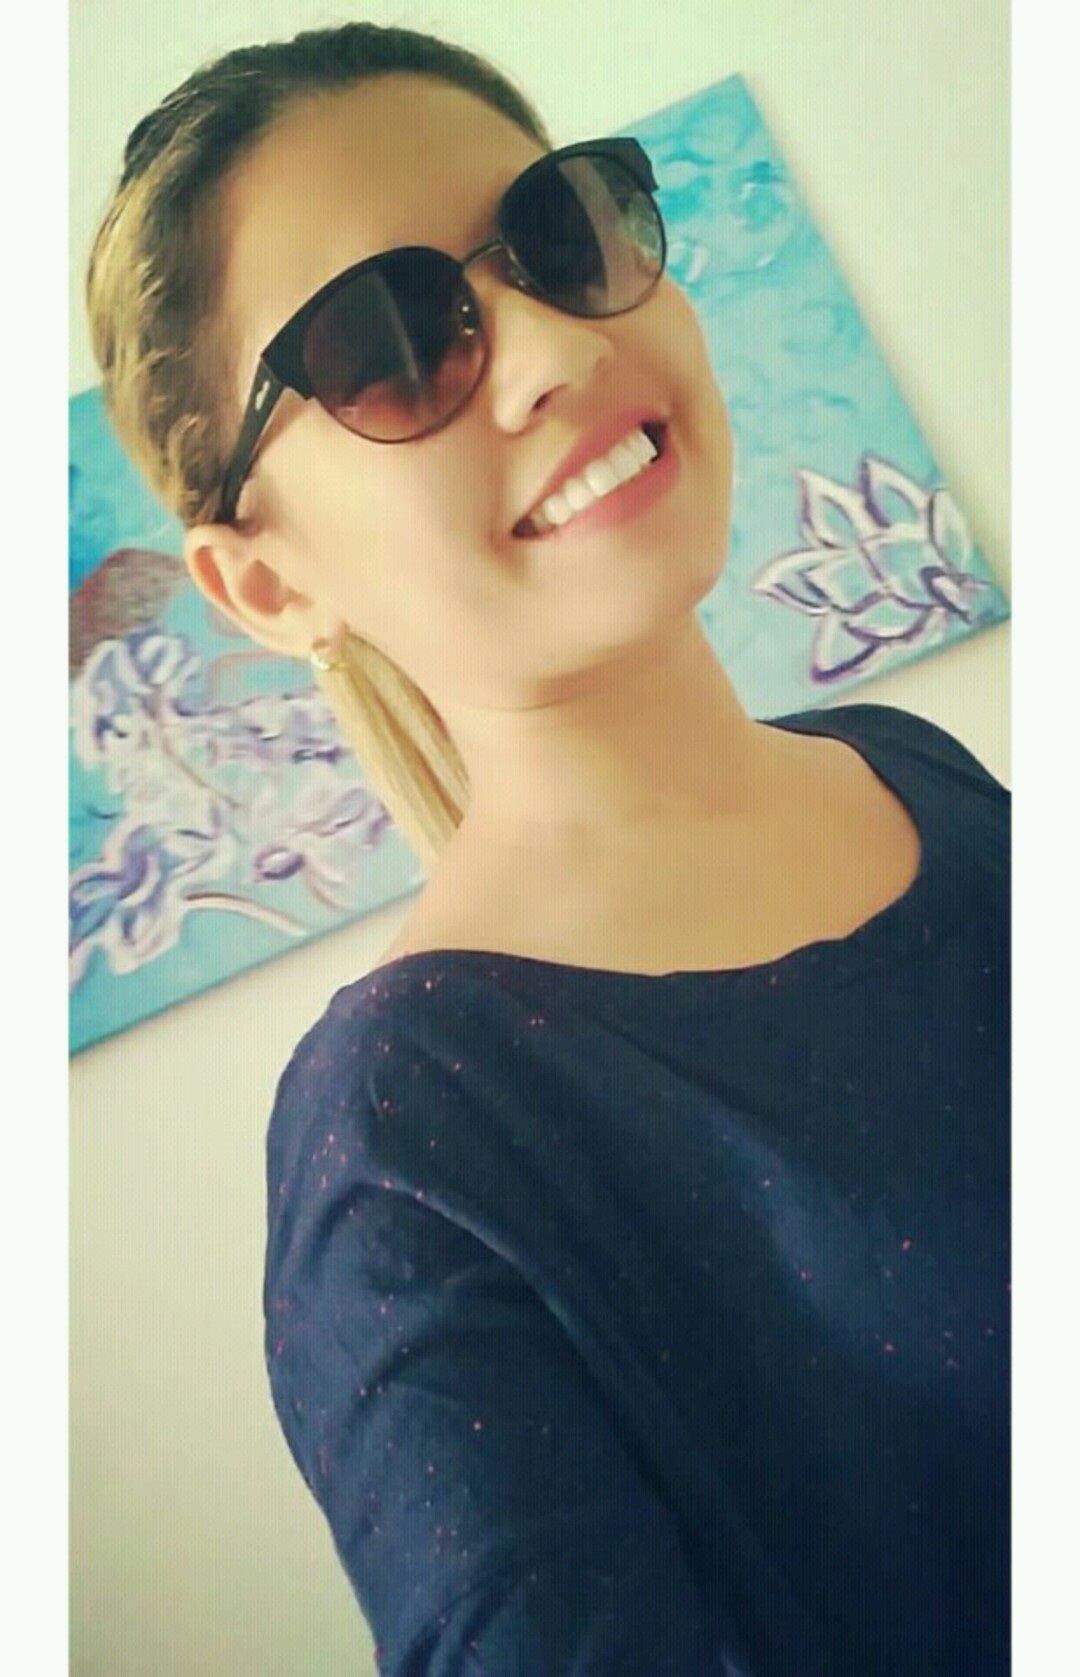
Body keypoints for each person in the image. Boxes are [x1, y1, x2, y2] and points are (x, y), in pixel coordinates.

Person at [86, 21, 1010, 1676]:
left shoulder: (912, 768)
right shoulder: (407, 1138)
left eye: (557, 237)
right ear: (268, 584)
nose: (552, 350)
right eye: (386, 344)